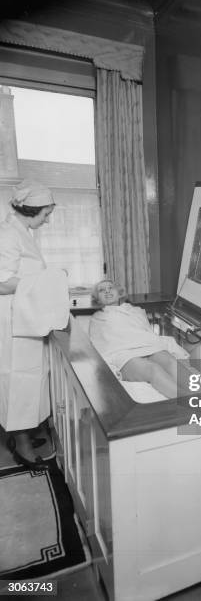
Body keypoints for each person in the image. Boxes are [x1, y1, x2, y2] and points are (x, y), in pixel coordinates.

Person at [0, 179, 56, 470]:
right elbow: (2, 281)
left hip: (25, 317)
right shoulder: (8, 234)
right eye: (46, 214)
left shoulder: (21, 232)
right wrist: (44, 284)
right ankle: (20, 444)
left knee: (31, 378)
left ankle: (23, 433)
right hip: (12, 322)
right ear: (33, 209)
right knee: (17, 381)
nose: (47, 221)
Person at [89, 279, 191, 399]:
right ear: (97, 299)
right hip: (123, 354)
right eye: (102, 290)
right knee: (153, 369)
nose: (107, 291)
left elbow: (145, 334)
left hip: (148, 346)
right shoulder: (98, 319)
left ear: (119, 292)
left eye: (110, 288)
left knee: (171, 362)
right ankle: (191, 401)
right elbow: (100, 346)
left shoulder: (135, 311)